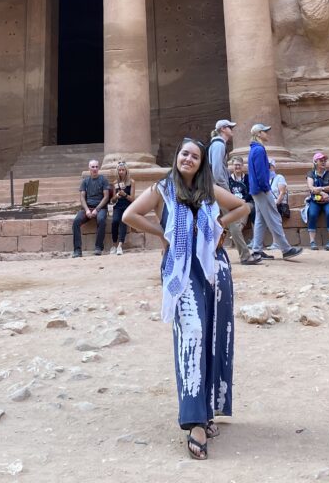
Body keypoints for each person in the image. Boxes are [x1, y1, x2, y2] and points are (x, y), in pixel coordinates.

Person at [122, 137, 248, 460]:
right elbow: (129, 216)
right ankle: (194, 421)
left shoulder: (208, 189)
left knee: (213, 335)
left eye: (194, 156)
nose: (188, 159)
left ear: (201, 162)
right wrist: (160, 235)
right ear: (176, 157)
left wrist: (220, 223)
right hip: (181, 270)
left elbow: (242, 206)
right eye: (184, 154)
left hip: (213, 268)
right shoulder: (162, 189)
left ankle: (207, 409)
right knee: (192, 333)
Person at [248, 124, 302, 260]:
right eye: (265, 132)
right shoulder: (259, 150)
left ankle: (256, 250)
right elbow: (261, 173)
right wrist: (266, 188)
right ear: (259, 133)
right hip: (261, 190)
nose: (267, 134)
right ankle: (286, 249)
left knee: (261, 220)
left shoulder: (253, 149)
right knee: (274, 218)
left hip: (255, 190)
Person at [208, 120, 254, 264]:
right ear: (223, 129)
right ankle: (245, 255)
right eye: (230, 127)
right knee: (233, 219)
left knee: (218, 220)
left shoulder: (217, 144)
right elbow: (216, 170)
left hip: (214, 187)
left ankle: (210, 254)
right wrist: (225, 189)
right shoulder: (219, 145)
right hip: (219, 187)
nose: (232, 129)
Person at [72, 159, 110, 257]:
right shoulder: (85, 181)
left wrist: (97, 209)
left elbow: (106, 197)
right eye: (92, 167)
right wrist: (87, 210)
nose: (95, 169)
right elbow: (82, 197)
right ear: (89, 168)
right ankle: (77, 250)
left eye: (96, 167)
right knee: (76, 221)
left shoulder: (103, 180)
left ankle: (98, 247)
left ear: (99, 168)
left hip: (100, 208)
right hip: (87, 207)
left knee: (101, 220)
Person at [227, 156, 258, 263]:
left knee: (244, 209)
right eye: (235, 165)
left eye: (239, 165)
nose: (237, 167)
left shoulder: (247, 178)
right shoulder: (228, 179)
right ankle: (237, 232)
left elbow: (251, 192)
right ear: (232, 166)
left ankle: (237, 231)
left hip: (246, 202)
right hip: (233, 204)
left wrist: (243, 200)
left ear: (242, 166)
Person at [305, 152, 329, 250]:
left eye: (324, 160)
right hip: (315, 200)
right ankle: (312, 241)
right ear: (315, 162)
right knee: (312, 214)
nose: (323, 162)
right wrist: (323, 192)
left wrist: (320, 189)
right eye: (321, 160)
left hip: (328, 200)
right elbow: (311, 188)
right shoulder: (310, 173)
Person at [110, 161, 134, 255]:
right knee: (115, 221)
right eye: (119, 170)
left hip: (127, 206)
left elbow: (132, 199)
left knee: (123, 221)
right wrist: (116, 196)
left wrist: (125, 195)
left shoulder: (131, 182)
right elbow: (112, 201)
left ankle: (120, 245)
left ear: (126, 171)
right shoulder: (115, 183)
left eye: (123, 170)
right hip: (118, 206)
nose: (121, 172)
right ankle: (114, 244)